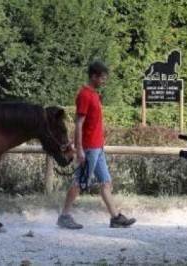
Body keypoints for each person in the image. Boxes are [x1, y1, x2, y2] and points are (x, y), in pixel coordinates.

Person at [57, 60, 136, 229]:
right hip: (89, 148)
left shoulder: (94, 95)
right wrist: (79, 149)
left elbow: (87, 125)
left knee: (106, 182)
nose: (104, 81)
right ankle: (64, 216)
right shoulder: (85, 95)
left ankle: (115, 217)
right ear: (94, 77)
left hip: (98, 148)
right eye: (102, 78)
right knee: (80, 182)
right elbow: (78, 123)